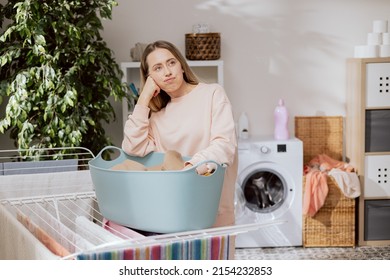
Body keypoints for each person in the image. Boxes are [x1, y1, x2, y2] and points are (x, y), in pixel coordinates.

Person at [121, 40, 238, 256]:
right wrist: (144, 98)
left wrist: (188, 168)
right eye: (157, 68)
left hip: (212, 210)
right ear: (150, 78)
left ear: (181, 65)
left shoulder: (212, 94)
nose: (167, 72)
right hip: (172, 215)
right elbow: (132, 148)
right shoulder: (156, 117)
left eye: (171, 63)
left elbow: (224, 145)